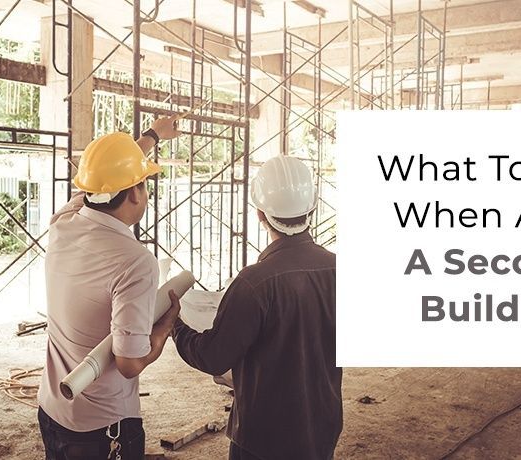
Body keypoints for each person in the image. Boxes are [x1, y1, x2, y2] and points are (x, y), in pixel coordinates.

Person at [169, 155, 341, 460]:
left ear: (260, 213)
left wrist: (176, 325)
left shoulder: (255, 282)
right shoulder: (339, 269)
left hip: (264, 438)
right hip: (321, 430)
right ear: (312, 207)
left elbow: (212, 356)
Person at [37, 117, 182, 460]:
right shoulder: (136, 261)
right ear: (135, 191)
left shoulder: (64, 222)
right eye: (144, 183)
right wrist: (165, 326)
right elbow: (129, 362)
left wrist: (150, 138)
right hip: (102, 429)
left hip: (52, 410)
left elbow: (97, 183)